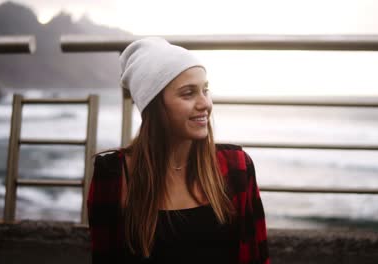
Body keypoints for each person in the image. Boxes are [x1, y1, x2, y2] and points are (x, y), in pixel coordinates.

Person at [87, 37, 269, 264]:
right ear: (153, 105)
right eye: (188, 93)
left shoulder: (237, 166)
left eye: (205, 90)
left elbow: (257, 256)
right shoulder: (113, 176)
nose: (205, 104)